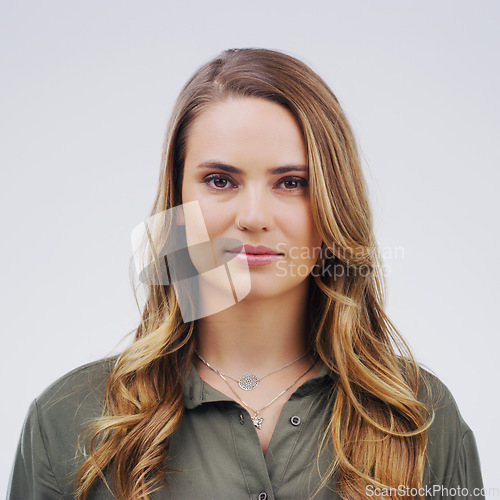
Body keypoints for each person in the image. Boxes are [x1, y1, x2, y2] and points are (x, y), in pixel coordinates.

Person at [8, 48, 484, 500]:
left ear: (335, 202)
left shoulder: (420, 417)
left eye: (292, 183)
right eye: (221, 181)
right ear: (176, 198)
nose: (254, 216)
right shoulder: (70, 419)